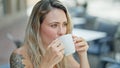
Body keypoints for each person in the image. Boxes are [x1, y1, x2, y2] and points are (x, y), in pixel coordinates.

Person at [10, 0, 90, 68]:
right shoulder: (19, 56)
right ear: (36, 27)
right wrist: (46, 64)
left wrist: (83, 55)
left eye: (64, 24)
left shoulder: (64, 51)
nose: (62, 31)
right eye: (54, 25)